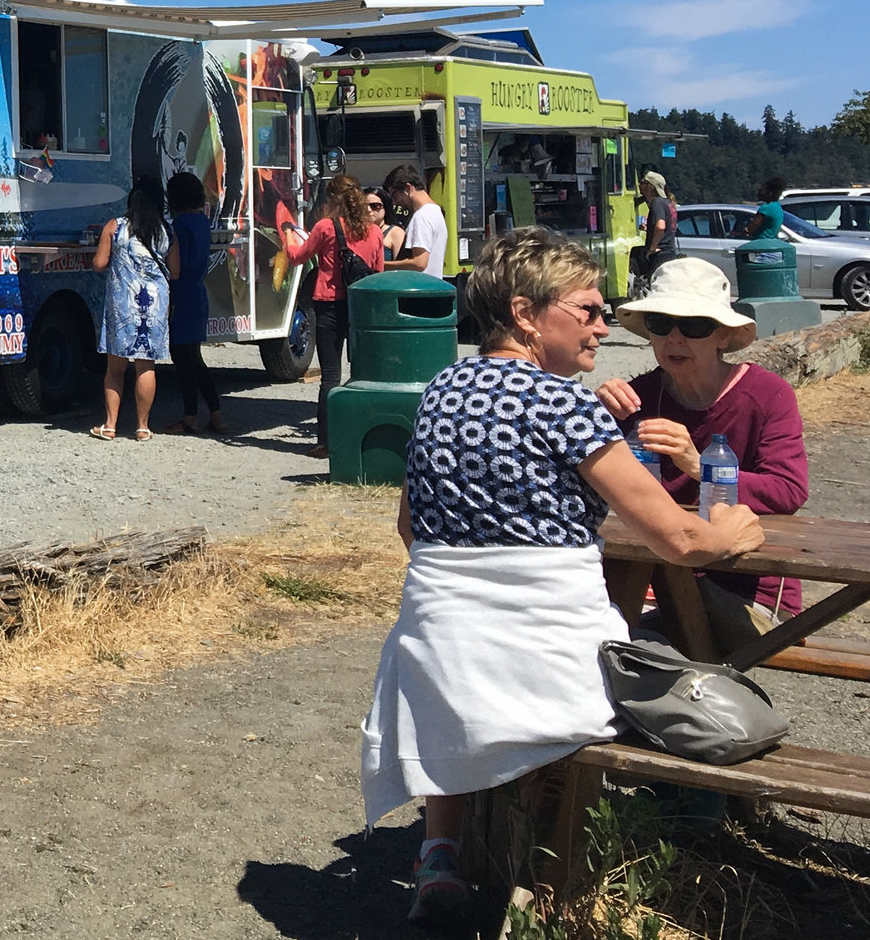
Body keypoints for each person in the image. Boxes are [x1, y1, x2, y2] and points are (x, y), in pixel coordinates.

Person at [361, 229, 763, 924]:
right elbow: (676, 536)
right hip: (548, 675)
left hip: (438, 665)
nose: (604, 325)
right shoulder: (563, 405)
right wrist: (726, 529)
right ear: (525, 313)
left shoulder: (437, 394)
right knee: (629, 683)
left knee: (471, 677)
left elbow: (410, 528)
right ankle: (558, 878)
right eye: (588, 309)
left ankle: (440, 852)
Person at [595, 258, 808, 629]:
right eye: (661, 325)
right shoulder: (637, 397)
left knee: (625, 641)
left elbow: (789, 491)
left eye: (694, 326)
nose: (674, 340)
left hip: (744, 590)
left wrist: (699, 465)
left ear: (723, 336)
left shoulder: (767, 394)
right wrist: (592, 419)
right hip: (653, 576)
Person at [279, 175, 387, 451]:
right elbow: (378, 272)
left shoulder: (326, 227)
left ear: (333, 200)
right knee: (363, 372)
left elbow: (297, 257)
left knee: (330, 375)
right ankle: (362, 439)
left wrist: (288, 234)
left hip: (328, 304)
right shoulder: (374, 231)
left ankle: (326, 443)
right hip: (361, 305)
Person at [91, 174, 170, 441]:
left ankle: (110, 425)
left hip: (122, 306)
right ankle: (142, 427)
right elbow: (177, 270)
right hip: (154, 309)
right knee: (146, 367)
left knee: (115, 369)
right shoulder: (166, 231)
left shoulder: (115, 227)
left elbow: (100, 264)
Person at [163, 171, 222, 435]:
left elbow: (176, 264)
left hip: (182, 294)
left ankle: (190, 416)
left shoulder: (179, 225)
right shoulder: (202, 221)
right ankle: (216, 413)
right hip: (198, 292)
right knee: (195, 357)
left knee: (183, 358)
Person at [383, 164, 448, 278]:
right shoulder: (435, 212)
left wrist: (383, 266)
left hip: (420, 289)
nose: (394, 202)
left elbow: (419, 263)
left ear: (408, 188)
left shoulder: (421, 217)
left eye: (394, 195)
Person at [633, 171, 678, 289]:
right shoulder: (668, 203)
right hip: (670, 252)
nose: (639, 184)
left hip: (659, 254)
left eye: (643, 182)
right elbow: (666, 227)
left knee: (657, 289)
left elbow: (661, 226)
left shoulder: (656, 202)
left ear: (650, 186)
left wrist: (652, 248)